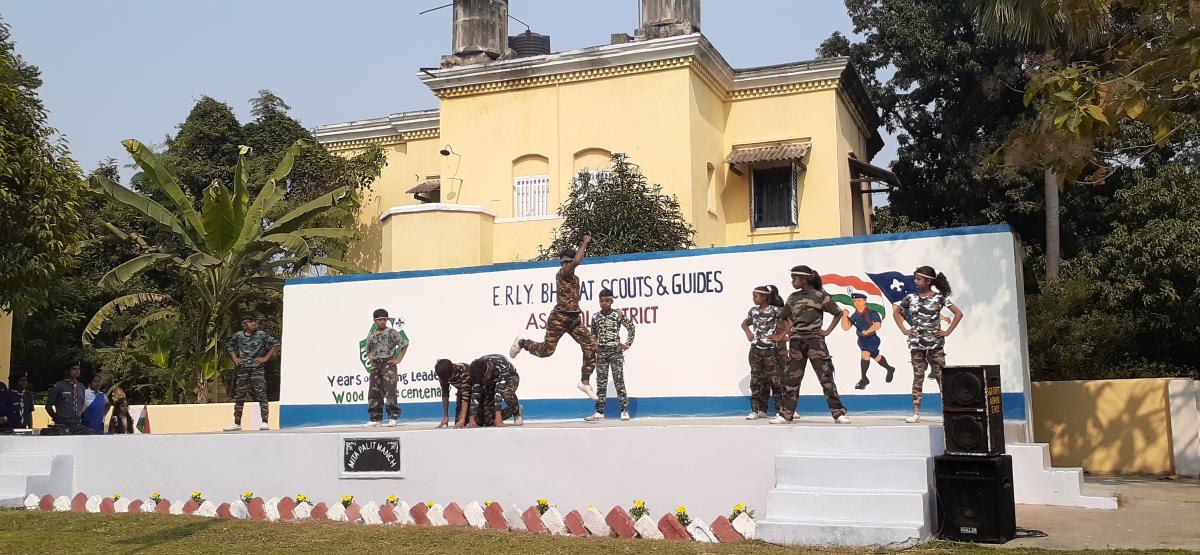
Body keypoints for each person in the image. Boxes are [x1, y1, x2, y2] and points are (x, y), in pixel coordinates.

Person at [510, 234, 599, 401]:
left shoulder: (575, 278)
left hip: (573, 319)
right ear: (564, 263)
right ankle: (521, 342)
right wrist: (585, 242)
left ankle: (584, 382)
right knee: (546, 351)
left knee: (591, 344)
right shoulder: (563, 273)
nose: (569, 265)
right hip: (559, 319)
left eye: (568, 262)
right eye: (567, 262)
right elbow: (577, 261)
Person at [775, 266, 851, 424]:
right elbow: (783, 316)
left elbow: (838, 313)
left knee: (826, 378)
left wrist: (827, 331)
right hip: (797, 343)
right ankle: (785, 414)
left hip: (815, 342)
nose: (792, 282)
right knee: (791, 380)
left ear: (804, 280)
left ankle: (838, 413)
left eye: (794, 279)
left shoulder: (819, 296)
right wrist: (790, 331)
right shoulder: (792, 297)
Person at [893, 266, 964, 423]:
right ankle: (916, 412)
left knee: (941, 377)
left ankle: (949, 411)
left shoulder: (940, 298)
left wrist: (947, 331)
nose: (915, 281)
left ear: (928, 281)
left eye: (919, 279)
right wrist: (904, 329)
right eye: (915, 278)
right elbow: (896, 312)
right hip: (916, 344)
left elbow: (958, 313)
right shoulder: (910, 298)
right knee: (918, 377)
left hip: (935, 345)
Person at [585, 288, 636, 422]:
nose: (604, 303)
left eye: (607, 300)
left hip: (615, 352)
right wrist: (594, 347)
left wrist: (627, 343)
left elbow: (631, 327)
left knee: (619, 380)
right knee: (601, 382)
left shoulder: (618, 314)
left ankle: (624, 410)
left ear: (612, 301)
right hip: (601, 353)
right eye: (602, 301)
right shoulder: (595, 316)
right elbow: (593, 334)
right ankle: (600, 411)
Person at [224, 316, 280, 432]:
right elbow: (230, 346)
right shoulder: (238, 335)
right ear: (244, 324)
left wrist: (266, 358)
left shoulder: (261, 335)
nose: (254, 323)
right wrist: (235, 358)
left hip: (257, 368)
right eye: (250, 322)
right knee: (240, 396)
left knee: (261, 394)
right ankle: (237, 423)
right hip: (243, 369)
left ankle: (264, 421)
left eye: (254, 321)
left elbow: (275, 344)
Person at [741, 285, 788, 420]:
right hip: (755, 349)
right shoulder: (753, 311)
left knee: (776, 380)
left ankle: (780, 410)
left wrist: (781, 336)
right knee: (756, 380)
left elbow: (790, 323)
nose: (753, 298)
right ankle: (756, 410)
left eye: (756, 296)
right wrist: (748, 333)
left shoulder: (775, 310)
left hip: (771, 350)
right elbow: (744, 323)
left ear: (764, 297)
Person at [840, 293, 898, 390]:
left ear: (865, 301)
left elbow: (878, 325)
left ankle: (864, 379)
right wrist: (844, 317)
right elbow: (846, 327)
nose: (856, 303)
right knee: (876, 356)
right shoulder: (855, 315)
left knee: (865, 354)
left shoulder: (872, 312)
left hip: (872, 339)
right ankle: (889, 369)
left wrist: (867, 331)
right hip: (861, 340)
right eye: (854, 301)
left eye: (859, 300)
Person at [363, 308, 409, 428]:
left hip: (388, 364)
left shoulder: (391, 332)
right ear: (375, 321)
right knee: (374, 392)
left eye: (384, 319)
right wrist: (371, 359)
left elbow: (404, 344)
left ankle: (393, 417)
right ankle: (375, 419)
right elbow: (367, 350)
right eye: (379, 320)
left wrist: (398, 359)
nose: (382, 322)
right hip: (375, 365)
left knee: (390, 390)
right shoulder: (372, 336)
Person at [467, 354, 522, 428]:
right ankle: (508, 411)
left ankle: (516, 412)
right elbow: (475, 394)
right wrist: (472, 419)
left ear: (489, 368)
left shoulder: (501, 362)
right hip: (491, 383)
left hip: (509, 378)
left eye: (484, 378)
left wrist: (499, 418)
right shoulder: (477, 370)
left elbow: (498, 392)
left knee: (506, 393)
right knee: (488, 421)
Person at [46, 362, 90, 435]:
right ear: (67, 371)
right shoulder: (58, 386)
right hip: (63, 423)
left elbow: (82, 404)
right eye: (74, 369)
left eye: (78, 369)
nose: (77, 371)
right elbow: (48, 406)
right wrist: (57, 418)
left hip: (77, 423)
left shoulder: (81, 387)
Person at [435, 359, 472, 428]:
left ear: (452, 372)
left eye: (448, 378)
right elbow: (445, 394)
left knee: (478, 421)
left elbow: (466, 396)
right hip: (461, 392)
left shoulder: (463, 371)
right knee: (458, 423)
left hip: (477, 393)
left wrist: (462, 418)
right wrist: (446, 416)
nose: (446, 380)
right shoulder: (443, 374)